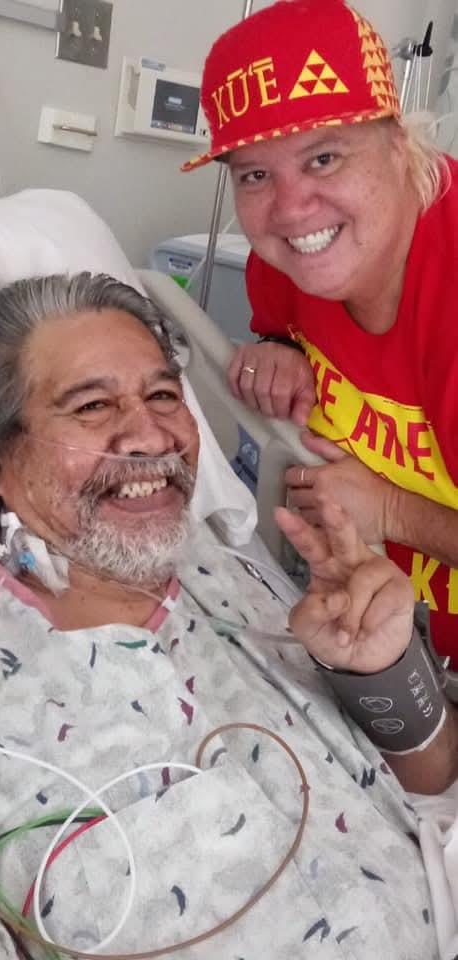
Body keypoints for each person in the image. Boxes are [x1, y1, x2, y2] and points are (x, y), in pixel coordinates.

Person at [0, 270, 455, 960]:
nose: (150, 435)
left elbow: (434, 780)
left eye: (164, 394)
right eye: (90, 407)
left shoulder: (231, 572)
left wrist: (385, 669)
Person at [182, 0, 458, 670]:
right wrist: (280, 351)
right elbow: (285, 320)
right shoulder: (288, 266)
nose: (290, 209)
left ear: (399, 142)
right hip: (387, 640)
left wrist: (390, 510)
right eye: (254, 174)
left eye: (325, 157)